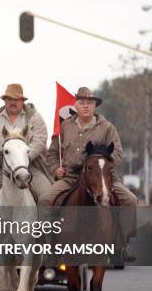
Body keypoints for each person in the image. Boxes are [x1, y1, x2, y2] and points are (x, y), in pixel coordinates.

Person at [40, 87, 137, 260]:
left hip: (101, 178)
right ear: (76, 105)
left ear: (95, 106)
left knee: (130, 200)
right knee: (45, 200)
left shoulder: (108, 128)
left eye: (89, 103)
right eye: (82, 103)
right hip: (70, 178)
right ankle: (49, 245)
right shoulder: (64, 126)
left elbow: (118, 153)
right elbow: (52, 154)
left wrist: (102, 165)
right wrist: (56, 169)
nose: (85, 106)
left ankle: (122, 245)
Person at [0, 83, 52, 208]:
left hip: (29, 168)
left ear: (22, 101)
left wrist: (20, 159)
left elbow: (40, 141)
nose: (13, 102)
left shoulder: (35, 118)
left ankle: (46, 227)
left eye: (16, 99)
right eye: (9, 99)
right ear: (4, 101)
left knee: (49, 197)